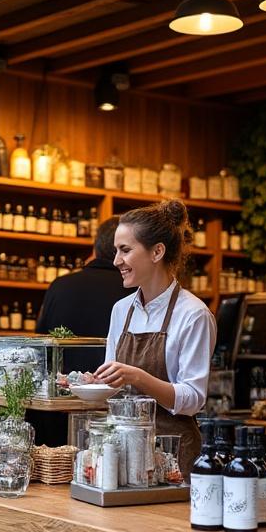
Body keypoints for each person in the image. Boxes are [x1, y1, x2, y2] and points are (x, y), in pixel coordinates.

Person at [92, 200, 216, 476]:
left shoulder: (194, 314)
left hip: (172, 458)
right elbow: (113, 382)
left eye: (125, 250)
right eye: (116, 251)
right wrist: (87, 382)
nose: (116, 261)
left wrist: (138, 377)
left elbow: (193, 398)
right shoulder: (121, 310)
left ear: (157, 251)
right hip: (122, 452)